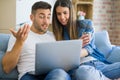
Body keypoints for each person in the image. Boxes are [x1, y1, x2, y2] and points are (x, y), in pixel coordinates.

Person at [2, 1, 71, 80]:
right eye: (41, 17)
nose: (46, 21)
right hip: (29, 75)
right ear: (32, 17)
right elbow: (7, 68)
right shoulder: (20, 35)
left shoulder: (54, 36)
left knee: (59, 74)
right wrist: (19, 42)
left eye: (48, 17)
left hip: (52, 74)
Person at [52, 0, 120, 80]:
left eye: (65, 13)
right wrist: (78, 43)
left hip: (96, 64)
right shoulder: (56, 33)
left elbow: (88, 50)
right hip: (78, 70)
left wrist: (70, 52)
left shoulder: (86, 24)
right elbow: (60, 59)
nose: (62, 17)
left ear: (71, 12)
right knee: (83, 72)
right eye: (59, 14)